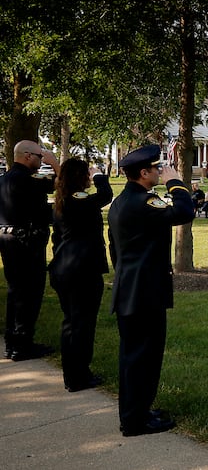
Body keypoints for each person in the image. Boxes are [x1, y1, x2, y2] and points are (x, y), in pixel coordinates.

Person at [107, 145, 195, 437]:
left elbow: (115, 250)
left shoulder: (122, 201)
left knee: (134, 356)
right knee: (143, 357)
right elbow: (184, 211)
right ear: (143, 173)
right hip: (144, 292)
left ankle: (138, 411)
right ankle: (135, 421)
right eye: (157, 169)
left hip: (130, 288)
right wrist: (176, 182)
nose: (160, 171)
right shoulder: (144, 201)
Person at [49, 159, 113, 391]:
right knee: (82, 325)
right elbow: (105, 196)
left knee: (71, 324)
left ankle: (73, 373)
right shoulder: (78, 199)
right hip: (81, 271)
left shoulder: (62, 201)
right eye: (86, 173)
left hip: (64, 268)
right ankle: (78, 376)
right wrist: (99, 175)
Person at [0, 140, 60, 361]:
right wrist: (55, 164)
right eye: (39, 156)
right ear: (27, 156)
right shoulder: (29, 178)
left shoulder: (4, 179)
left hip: (8, 239)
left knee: (15, 291)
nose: (41, 160)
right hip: (26, 242)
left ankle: (12, 343)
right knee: (30, 293)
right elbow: (62, 185)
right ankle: (23, 345)